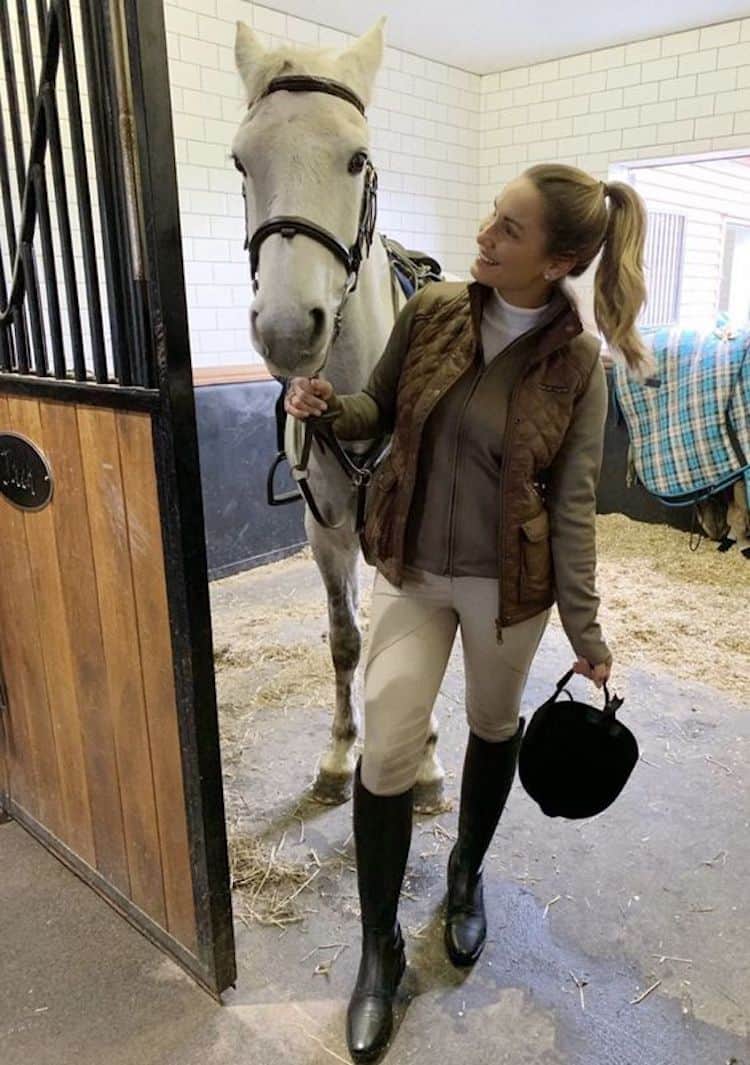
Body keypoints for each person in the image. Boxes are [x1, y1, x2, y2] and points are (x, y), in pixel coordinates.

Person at [286, 163, 648, 1063]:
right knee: (389, 744)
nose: (485, 234)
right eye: (492, 215)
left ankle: (465, 873)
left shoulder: (578, 363)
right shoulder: (436, 309)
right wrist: (331, 407)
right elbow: (376, 411)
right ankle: (378, 947)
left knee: (493, 725)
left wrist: (588, 633)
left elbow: (570, 505)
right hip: (411, 567)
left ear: (557, 258)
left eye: (509, 229)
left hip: (507, 587)